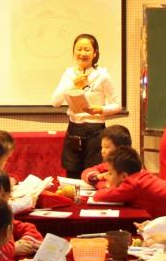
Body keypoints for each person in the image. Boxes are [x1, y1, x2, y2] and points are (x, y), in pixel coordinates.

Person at [50, 33, 121, 178]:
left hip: (96, 131)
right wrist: (73, 84)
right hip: (74, 129)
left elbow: (117, 105)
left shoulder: (102, 75)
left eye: (87, 49)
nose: (82, 53)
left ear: (95, 53)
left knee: (93, 175)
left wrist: (100, 110)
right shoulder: (69, 74)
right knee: (72, 174)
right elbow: (55, 102)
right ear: (74, 51)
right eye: (79, 49)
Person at [93, 146, 166, 218]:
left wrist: (101, 183)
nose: (107, 176)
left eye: (110, 173)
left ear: (124, 176)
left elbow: (98, 196)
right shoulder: (141, 176)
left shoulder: (133, 184)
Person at [79, 125, 133, 189]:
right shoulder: (107, 165)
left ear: (120, 149)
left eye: (107, 147)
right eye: (102, 147)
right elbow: (85, 172)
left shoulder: (130, 168)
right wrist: (98, 177)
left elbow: (113, 187)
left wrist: (100, 182)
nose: (102, 151)